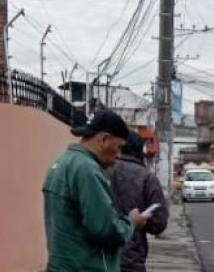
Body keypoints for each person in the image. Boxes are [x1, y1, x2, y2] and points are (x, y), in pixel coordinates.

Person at [44, 110, 150, 272]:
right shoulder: (88, 170)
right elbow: (105, 229)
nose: (119, 155)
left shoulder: (61, 163)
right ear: (104, 139)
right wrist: (132, 223)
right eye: (119, 147)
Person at [107, 133, 168, 272]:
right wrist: (141, 221)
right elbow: (158, 224)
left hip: (100, 256)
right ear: (141, 150)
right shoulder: (147, 178)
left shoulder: (100, 170)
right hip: (131, 258)